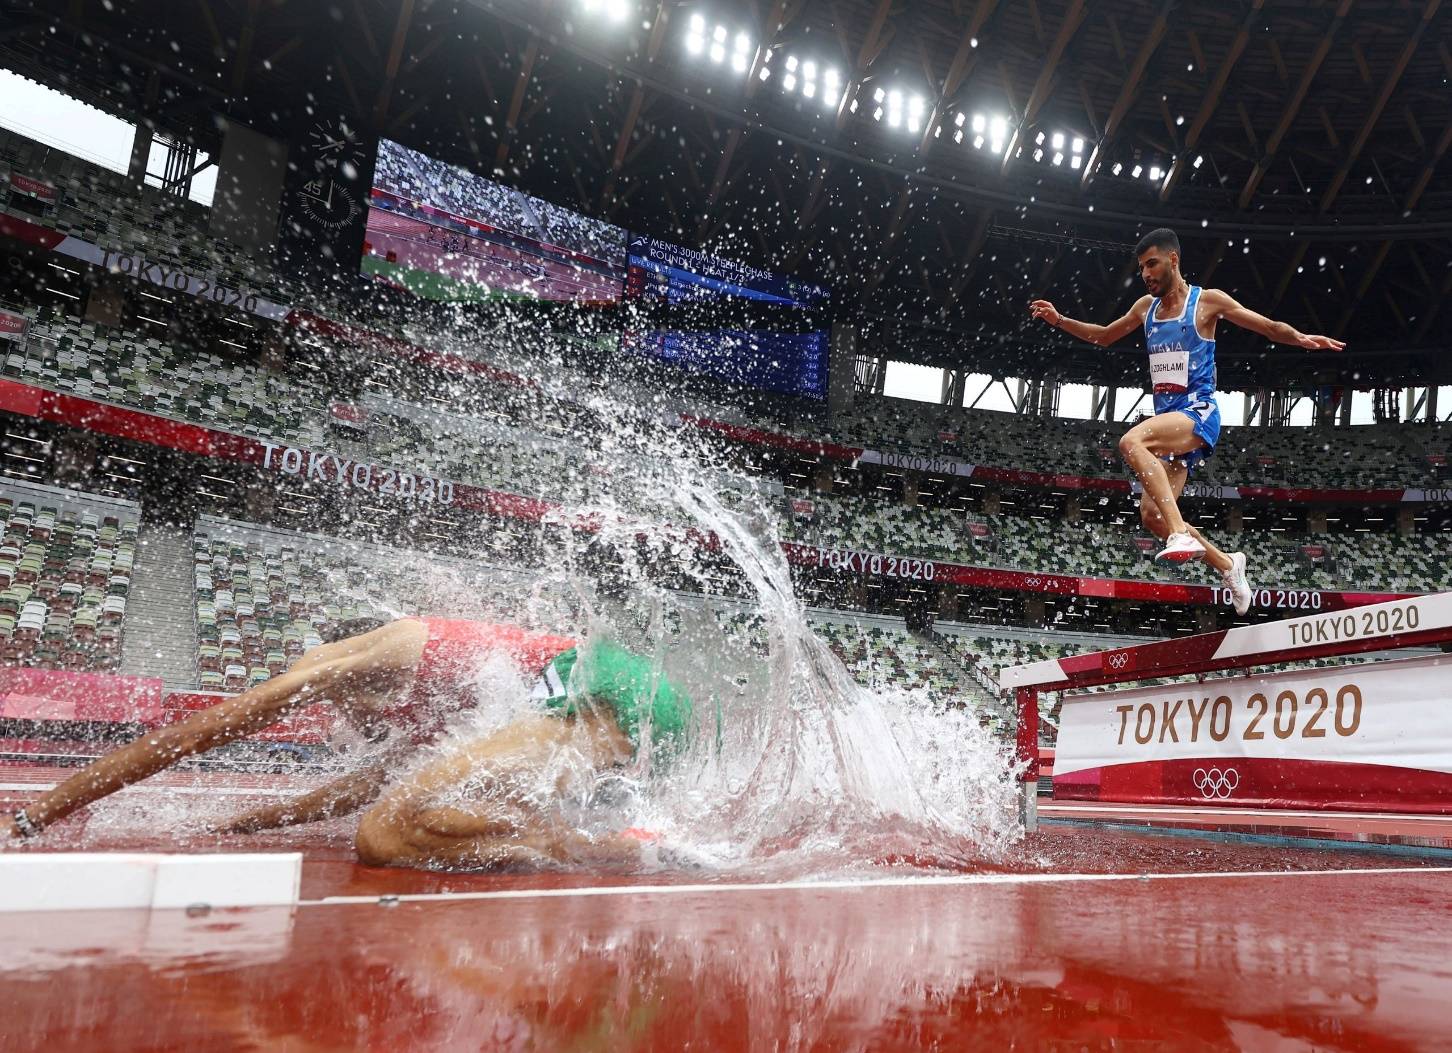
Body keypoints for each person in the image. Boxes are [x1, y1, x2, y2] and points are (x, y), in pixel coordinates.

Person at [6, 616, 694, 868]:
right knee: (399, 821)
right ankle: (592, 831)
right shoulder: (433, 700)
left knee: (383, 836)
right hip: (616, 691)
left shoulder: (376, 659)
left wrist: (38, 813)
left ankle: (622, 844)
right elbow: (364, 785)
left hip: (607, 688)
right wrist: (244, 821)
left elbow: (190, 735)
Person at [1028, 228, 1345, 616]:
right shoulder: (1145, 308)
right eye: (1141, 267)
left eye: (1152, 264)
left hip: (1199, 413)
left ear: (1173, 260)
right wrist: (1060, 320)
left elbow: (1266, 326)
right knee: (1150, 515)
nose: (1145, 274)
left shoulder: (1206, 302)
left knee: (1131, 443)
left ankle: (1181, 532)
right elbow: (1104, 336)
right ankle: (1229, 565)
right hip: (1170, 423)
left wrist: (1302, 338)